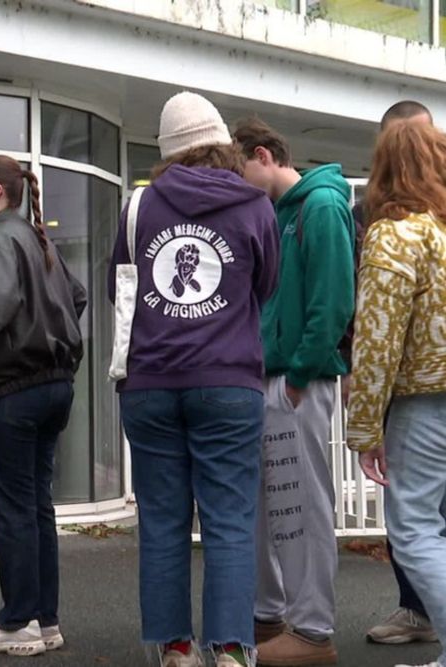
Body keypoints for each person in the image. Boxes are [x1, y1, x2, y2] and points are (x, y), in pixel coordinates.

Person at [110, 92, 279, 667]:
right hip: (230, 381)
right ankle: (230, 650)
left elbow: (122, 288)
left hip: (150, 382)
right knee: (230, 520)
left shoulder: (139, 207)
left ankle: (175, 649)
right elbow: (265, 285)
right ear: (220, 144)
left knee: (161, 521)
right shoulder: (255, 205)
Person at [0, 155, 86, 656]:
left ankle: (18, 620)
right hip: (54, 384)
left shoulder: (0, 237)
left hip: (11, 390)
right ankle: (44, 620)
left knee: (13, 510)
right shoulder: (36, 237)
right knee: (36, 505)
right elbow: (78, 297)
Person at [234, 118, 355, 666]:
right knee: (273, 505)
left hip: (297, 381)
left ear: (264, 155)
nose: (239, 186)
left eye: (242, 172)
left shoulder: (321, 206)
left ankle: (311, 630)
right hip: (277, 378)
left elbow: (332, 300)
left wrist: (302, 374)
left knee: (303, 505)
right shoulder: (280, 213)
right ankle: (273, 615)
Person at [346, 121, 446, 667]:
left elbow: (377, 340)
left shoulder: (395, 234)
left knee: (414, 532)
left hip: (423, 404)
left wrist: (364, 430)